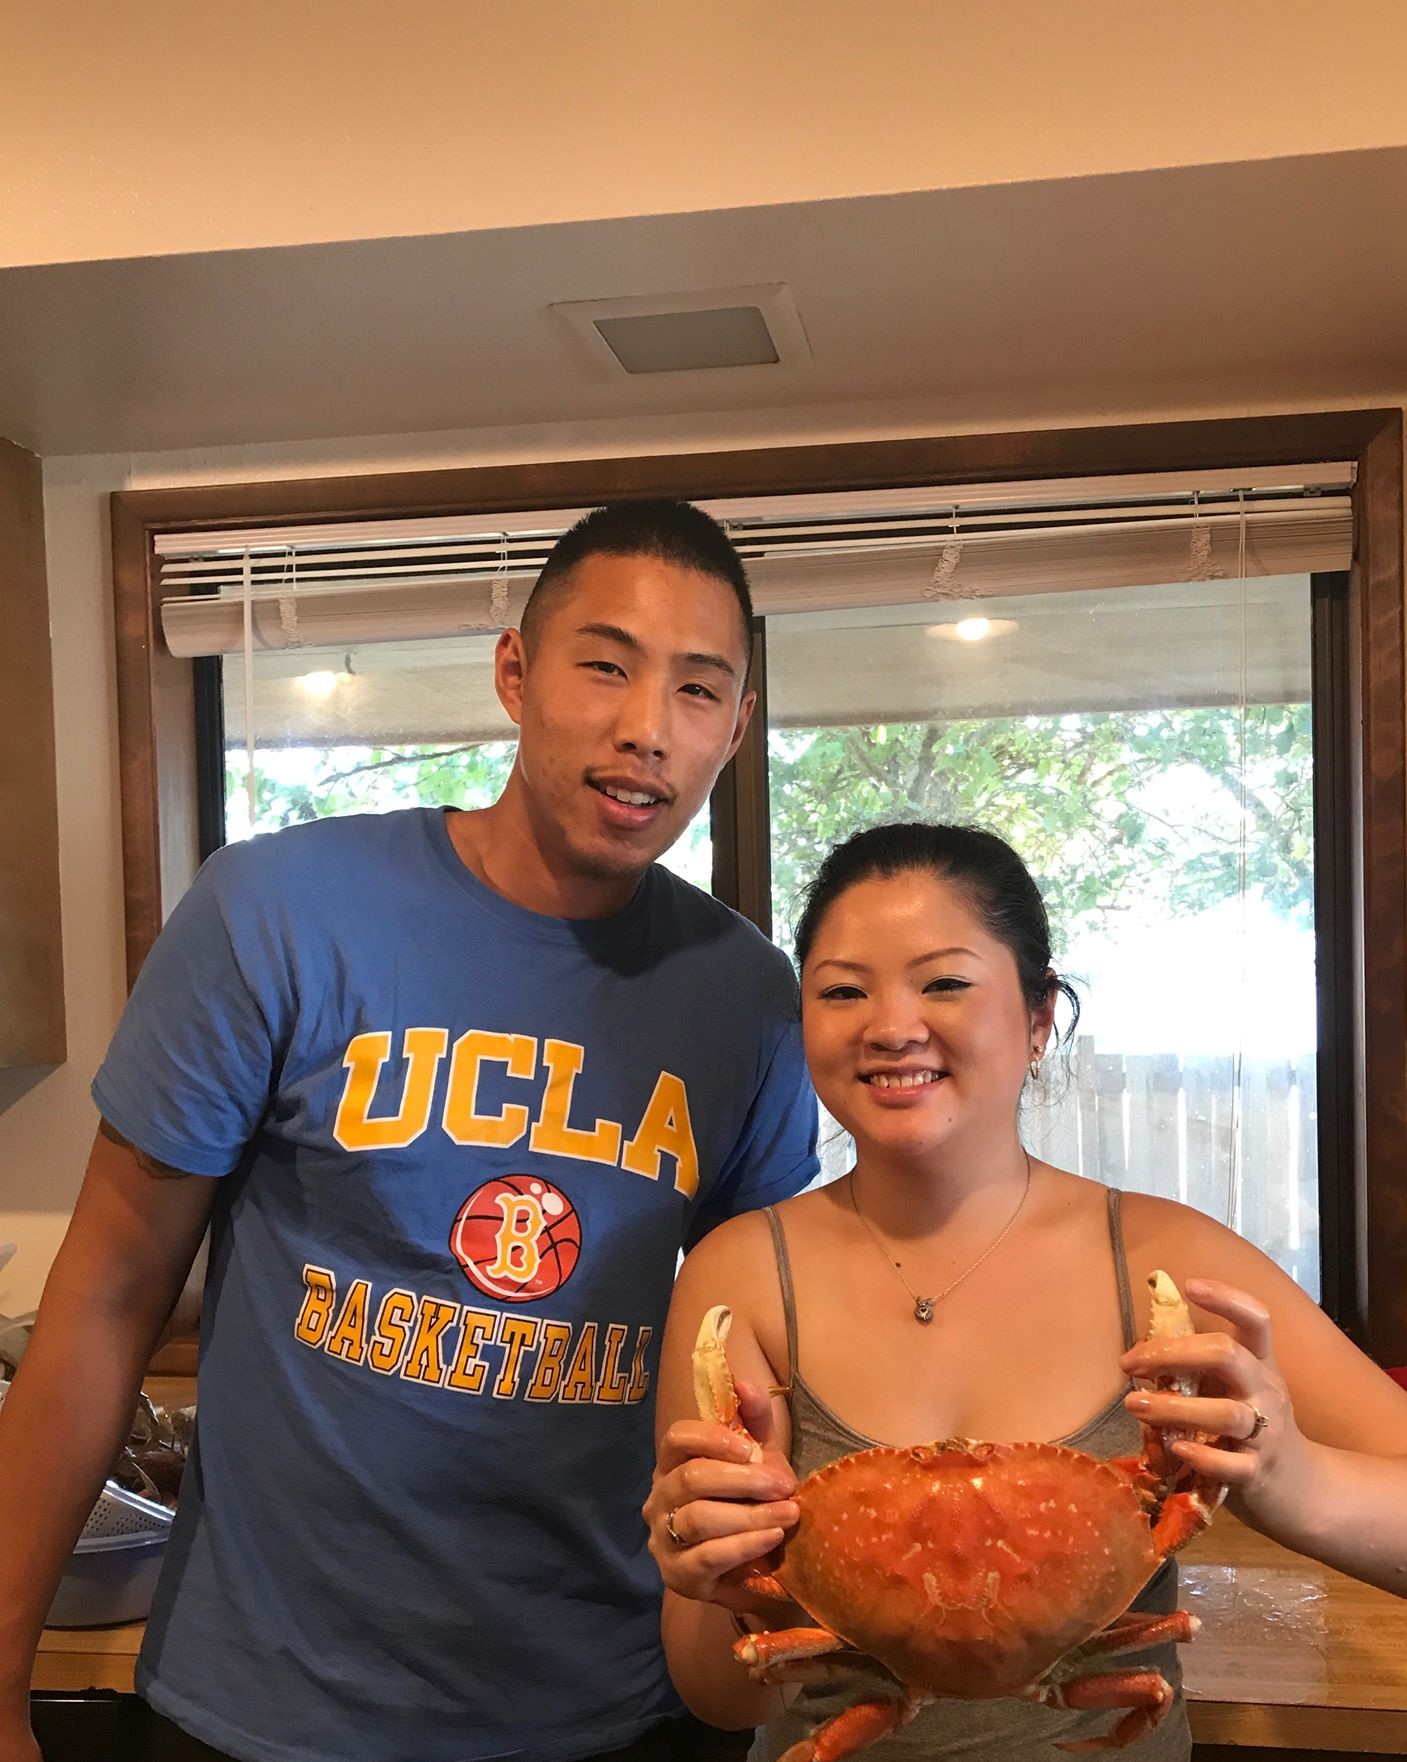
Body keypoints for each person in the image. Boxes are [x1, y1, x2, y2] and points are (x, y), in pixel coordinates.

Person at [0, 501, 819, 1762]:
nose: (646, 727)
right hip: (269, 1713)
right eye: (603, 664)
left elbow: (758, 1360)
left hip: (608, 1707)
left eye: (699, 690)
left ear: (738, 727)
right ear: (514, 672)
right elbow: (108, 1290)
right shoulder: (279, 912)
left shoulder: (751, 1002)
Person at [645, 822, 1407, 1760]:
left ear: (1040, 1015)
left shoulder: (1167, 1263)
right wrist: (711, 1574)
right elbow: (721, 1700)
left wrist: (1294, 1481)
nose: (891, 1025)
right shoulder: (741, 1276)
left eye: (945, 981)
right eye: (842, 990)